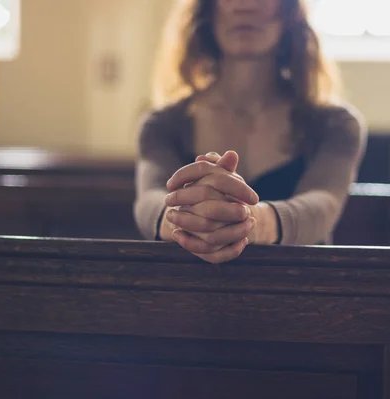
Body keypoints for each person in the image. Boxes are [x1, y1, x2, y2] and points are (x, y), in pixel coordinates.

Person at [134, 0, 367, 264]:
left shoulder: (335, 124)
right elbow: (149, 202)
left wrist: (248, 223)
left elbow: (323, 204)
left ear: (288, 12)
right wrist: (187, 222)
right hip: (189, 294)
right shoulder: (162, 124)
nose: (245, 6)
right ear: (208, 10)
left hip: (301, 291)